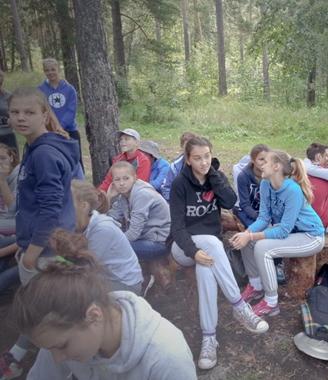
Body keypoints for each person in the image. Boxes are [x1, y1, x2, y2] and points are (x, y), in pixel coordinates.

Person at [9, 230, 197, 379]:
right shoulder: (58, 340)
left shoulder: (166, 357)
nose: (58, 359)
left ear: (94, 315)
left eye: (63, 346)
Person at [169, 136, 269, 370]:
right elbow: (177, 229)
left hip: (208, 251)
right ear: (187, 160)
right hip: (182, 247)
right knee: (212, 244)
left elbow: (230, 201)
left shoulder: (215, 177)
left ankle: (208, 337)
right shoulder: (179, 184)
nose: (203, 162)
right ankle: (239, 306)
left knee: (206, 268)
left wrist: (213, 176)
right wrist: (193, 251)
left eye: (207, 156)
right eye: (197, 158)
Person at [0, 86, 79, 380]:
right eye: (15, 112)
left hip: (47, 250)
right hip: (41, 245)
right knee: (48, 313)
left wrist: (32, 254)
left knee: (50, 317)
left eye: (29, 112)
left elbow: (49, 209)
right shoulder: (34, 146)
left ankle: (68, 366)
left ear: (45, 116)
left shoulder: (44, 153)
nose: (21, 118)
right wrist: (25, 244)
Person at [230, 150, 325, 317]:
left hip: (311, 236)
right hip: (291, 232)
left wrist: (251, 236)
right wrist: (247, 233)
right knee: (248, 240)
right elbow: (263, 218)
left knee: (262, 248)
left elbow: (283, 230)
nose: (261, 165)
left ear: (276, 167)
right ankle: (256, 285)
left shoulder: (292, 190)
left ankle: (271, 302)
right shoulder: (265, 184)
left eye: (265, 161)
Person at [71, 180, 145, 296]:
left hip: (125, 285)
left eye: (68, 201)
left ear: (84, 206)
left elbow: (86, 266)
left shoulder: (102, 229)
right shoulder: (83, 224)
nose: (62, 205)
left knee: (73, 290)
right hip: (105, 278)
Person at [106, 162, 171, 291]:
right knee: (108, 234)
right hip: (144, 235)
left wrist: (111, 242)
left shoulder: (142, 195)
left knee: (113, 247)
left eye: (126, 178)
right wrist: (108, 197)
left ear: (134, 178)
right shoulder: (123, 196)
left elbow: (133, 234)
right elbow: (109, 220)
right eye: (117, 180)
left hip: (159, 242)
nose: (122, 183)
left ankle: (140, 281)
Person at [233, 144, 286, 284]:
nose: (264, 163)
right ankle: (256, 269)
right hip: (248, 211)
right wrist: (258, 218)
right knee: (256, 231)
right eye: (261, 159)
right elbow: (244, 204)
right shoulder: (244, 176)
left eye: (266, 160)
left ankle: (277, 263)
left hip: (267, 211)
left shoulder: (269, 175)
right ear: (252, 160)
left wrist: (270, 217)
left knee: (276, 228)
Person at [37, 58, 83, 172]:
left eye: (53, 69)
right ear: (44, 71)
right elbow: (40, 110)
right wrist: (52, 126)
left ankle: (79, 181)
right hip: (49, 131)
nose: (50, 72)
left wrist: (60, 127)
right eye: (47, 70)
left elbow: (71, 110)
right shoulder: (40, 90)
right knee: (54, 160)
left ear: (58, 70)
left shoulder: (69, 89)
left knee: (76, 160)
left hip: (69, 130)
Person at [98, 128, 151, 194]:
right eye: (121, 139)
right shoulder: (118, 159)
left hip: (136, 194)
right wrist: (99, 192)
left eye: (126, 139)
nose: (122, 142)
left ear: (136, 143)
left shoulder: (143, 161)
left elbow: (140, 184)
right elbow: (109, 179)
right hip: (118, 192)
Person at [162, 131, 198, 202]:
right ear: (181, 147)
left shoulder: (203, 164)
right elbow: (166, 188)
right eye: (186, 145)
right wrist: (176, 201)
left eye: (192, 145)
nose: (189, 148)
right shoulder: (175, 166)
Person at [305, 142, 328, 228]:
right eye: (326, 156)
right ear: (319, 157)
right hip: (320, 222)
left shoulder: (300, 172)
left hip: (302, 219)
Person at [0, 144, 19, 235]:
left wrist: (3, 181)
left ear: (11, 158)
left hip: (16, 220)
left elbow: (13, 208)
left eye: (3, 158)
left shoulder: (19, 176)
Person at [0, 71, 17, 153]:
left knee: (13, 157)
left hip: (7, 133)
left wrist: (12, 119)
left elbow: (16, 112)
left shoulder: (8, 96)